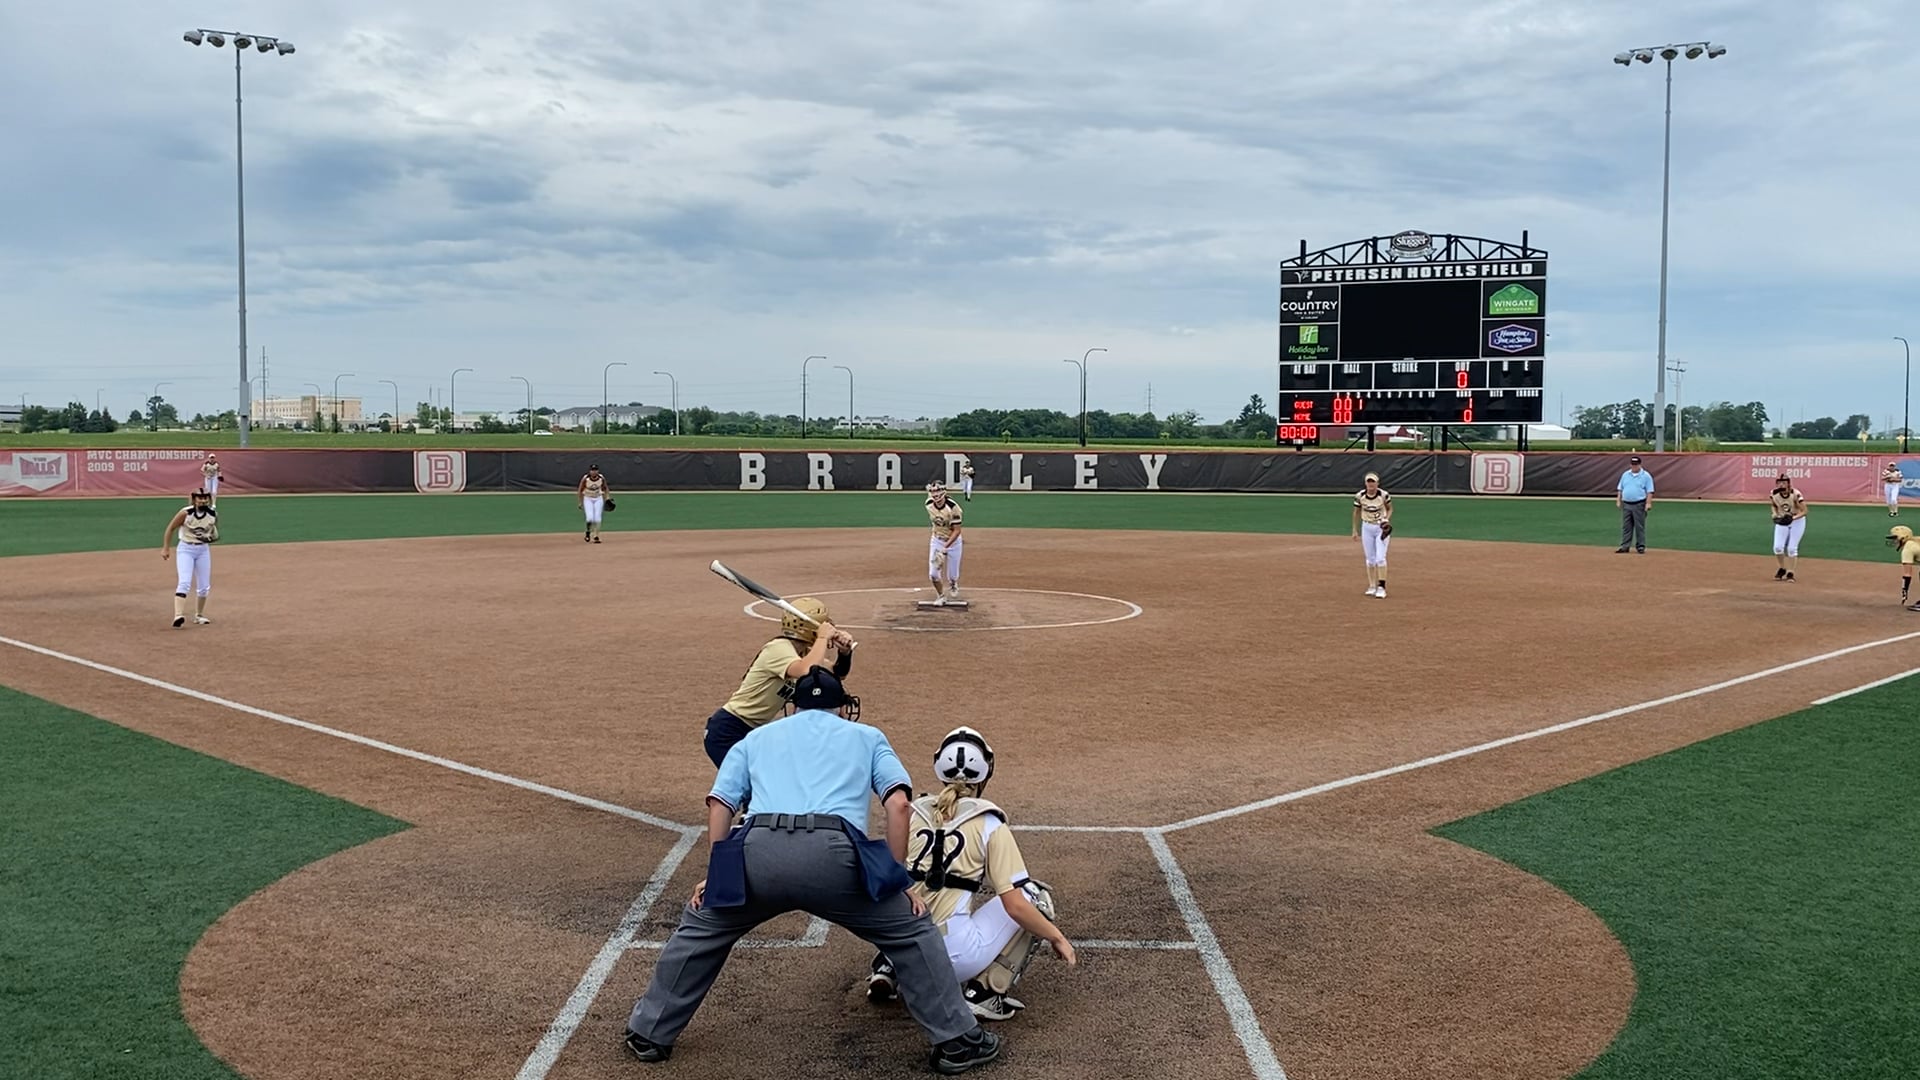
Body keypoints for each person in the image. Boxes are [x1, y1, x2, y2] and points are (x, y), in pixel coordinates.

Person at [622, 667, 1004, 1075]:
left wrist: (719, 874)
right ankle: (957, 1042)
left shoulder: (756, 738)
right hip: (834, 858)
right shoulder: (868, 736)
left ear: (794, 706)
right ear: (842, 706)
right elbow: (898, 806)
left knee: (701, 927)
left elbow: (721, 805)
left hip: (759, 853)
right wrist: (894, 879)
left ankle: (650, 1033)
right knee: (912, 931)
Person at [866, 726, 1076, 1022]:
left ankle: (887, 967)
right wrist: (1057, 937)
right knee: (1031, 896)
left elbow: (887, 875)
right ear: (985, 772)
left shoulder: (911, 811)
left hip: (901, 946)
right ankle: (986, 993)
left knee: (900, 890)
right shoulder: (989, 822)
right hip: (954, 958)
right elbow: (1015, 906)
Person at [705, 598, 854, 768]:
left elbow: (837, 674)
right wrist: (822, 638)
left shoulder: (803, 653)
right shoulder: (778, 648)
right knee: (746, 782)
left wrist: (845, 653)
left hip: (755, 731)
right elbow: (806, 670)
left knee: (769, 779)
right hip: (728, 730)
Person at [161, 488, 219, 627]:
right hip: (186, 549)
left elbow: (214, 533)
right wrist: (166, 548)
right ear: (194, 499)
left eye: (205, 498)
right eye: (200, 498)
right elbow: (170, 528)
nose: (203, 500)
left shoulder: (213, 514)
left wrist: (210, 538)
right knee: (184, 582)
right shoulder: (186, 513)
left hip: (203, 550)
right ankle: (178, 615)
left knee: (204, 586)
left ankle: (199, 615)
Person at [1351, 472, 1392, 598]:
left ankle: (1382, 587)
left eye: (1373, 482)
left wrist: (1386, 519)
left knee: (1380, 558)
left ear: (1377, 483)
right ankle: (1372, 586)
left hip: (1380, 528)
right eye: (1368, 482)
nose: (1371, 484)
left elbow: (1390, 508)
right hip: (1367, 527)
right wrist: (1355, 529)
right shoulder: (1360, 496)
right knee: (1370, 559)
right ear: (1365, 483)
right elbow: (1356, 512)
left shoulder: (1383, 495)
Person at [927, 481, 965, 603]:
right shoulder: (928, 504)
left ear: (944, 492)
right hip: (937, 540)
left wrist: (945, 548)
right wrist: (939, 546)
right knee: (933, 574)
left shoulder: (954, 508)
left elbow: (957, 531)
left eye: (937, 491)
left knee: (953, 575)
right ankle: (941, 596)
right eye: (933, 492)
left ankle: (953, 583)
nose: (935, 495)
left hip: (953, 542)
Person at [1768, 473, 1808, 582]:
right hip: (1782, 520)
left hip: (1797, 521)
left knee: (1791, 548)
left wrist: (1793, 518)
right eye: (1779, 483)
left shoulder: (1795, 494)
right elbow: (1774, 505)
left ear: (1788, 484)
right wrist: (1774, 514)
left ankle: (1791, 572)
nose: (1781, 485)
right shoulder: (1774, 493)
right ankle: (1782, 568)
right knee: (1777, 547)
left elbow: (1805, 511)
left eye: (1784, 483)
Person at [1616, 456, 1654, 553]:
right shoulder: (1625, 474)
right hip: (1626, 504)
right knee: (1626, 526)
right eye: (1632, 465)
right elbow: (1620, 488)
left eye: (1636, 465)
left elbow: (1650, 491)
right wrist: (1618, 500)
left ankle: (1640, 546)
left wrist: (1648, 503)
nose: (1634, 466)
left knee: (1639, 526)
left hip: (1639, 504)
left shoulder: (1646, 476)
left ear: (1640, 465)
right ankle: (1625, 546)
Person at [577, 464, 612, 543]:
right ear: (590, 471)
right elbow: (580, 490)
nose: (594, 472)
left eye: (595, 470)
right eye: (592, 470)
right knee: (590, 518)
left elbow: (605, 488)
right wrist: (580, 502)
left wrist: (607, 497)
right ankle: (588, 531)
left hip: (598, 498)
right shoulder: (586, 478)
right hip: (588, 498)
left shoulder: (601, 478)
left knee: (598, 518)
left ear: (598, 471)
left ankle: (596, 536)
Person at [1891, 525, 1920, 610]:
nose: (1894, 541)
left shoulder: (1908, 549)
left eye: (1895, 538)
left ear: (1903, 538)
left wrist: (1905, 591)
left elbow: (1907, 574)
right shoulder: (1915, 541)